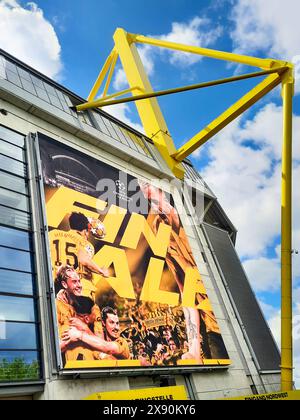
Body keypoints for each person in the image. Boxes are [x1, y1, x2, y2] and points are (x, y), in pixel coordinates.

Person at [139, 182, 203, 364]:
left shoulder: (189, 222)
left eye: (154, 198)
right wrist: (194, 349)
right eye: (149, 202)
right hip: (207, 321)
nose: (155, 207)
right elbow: (185, 293)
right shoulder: (159, 230)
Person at [49, 212, 109, 300]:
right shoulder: (85, 244)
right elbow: (83, 259)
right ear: (85, 231)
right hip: (70, 287)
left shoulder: (53, 234)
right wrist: (101, 271)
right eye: (88, 233)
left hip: (52, 283)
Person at [55, 265, 103, 362]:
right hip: (69, 368)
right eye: (74, 282)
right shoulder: (57, 306)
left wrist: (84, 329)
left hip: (93, 364)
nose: (79, 285)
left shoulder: (92, 306)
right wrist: (71, 340)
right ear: (64, 284)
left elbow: (102, 344)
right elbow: (54, 349)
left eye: (79, 281)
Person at [62, 306, 130, 360]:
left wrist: (80, 334)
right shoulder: (97, 340)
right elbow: (98, 343)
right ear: (103, 323)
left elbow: (107, 348)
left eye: (117, 323)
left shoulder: (122, 342)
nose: (116, 327)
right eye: (112, 322)